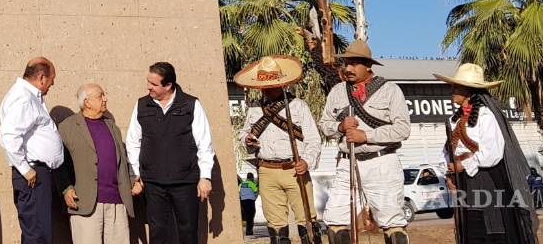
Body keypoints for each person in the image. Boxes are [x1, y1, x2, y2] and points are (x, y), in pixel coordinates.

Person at [318, 40, 411, 244]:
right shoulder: (338, 91)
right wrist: (340, 127)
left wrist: (367, 136)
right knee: (335, 221)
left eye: (354, 64)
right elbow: (324, 124)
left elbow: (403, 129)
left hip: (381, 162)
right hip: (347, 162)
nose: (348, 68)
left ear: (368, 65)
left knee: (392, 223)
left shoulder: (390, 90)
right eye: (346, 63)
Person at [435, 63, 538, 244]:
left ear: (468, 91)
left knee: (492, 225)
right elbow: (448, 151)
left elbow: (493, 152)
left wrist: (464, 165)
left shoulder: (486, 116)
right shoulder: (453, 120)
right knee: (470, 227)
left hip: (486, 178)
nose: (452, 90)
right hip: (463, 180)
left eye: (456, 87)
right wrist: (449, 174)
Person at [125, 61, 215, 244]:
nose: (148, 87)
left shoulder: (191, 104)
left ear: (168, 85)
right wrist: (135, 174)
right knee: (158, 233)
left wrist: (205, 177)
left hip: (185, 182)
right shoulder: (142, 105)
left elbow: (204, 143)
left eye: (153, 84)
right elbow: (133, 142)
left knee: (187, 232)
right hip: (153, 183)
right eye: (148, 81)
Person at [235, 56, 321, 244]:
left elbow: (314, 140)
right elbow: (243, 133)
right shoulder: (254, 108)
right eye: (264, 86)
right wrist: (246, 139)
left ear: (282, 84)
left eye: (272, 85)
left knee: (307, 223)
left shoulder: (298, 106)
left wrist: (306, 161)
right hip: (266, 170)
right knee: (276, 227)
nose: (267, 89)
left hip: (295, 169)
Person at [55, 82, 134, 244]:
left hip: (117, 202)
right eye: (100, 96)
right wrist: (66, 188)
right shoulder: (67, 127)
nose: (105, 99)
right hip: (85, 203)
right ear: (87, 102)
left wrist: (132, 180)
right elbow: (59, 163)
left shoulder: (112, 127)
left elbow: (123, 160)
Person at [0, 57, 64, 244]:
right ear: (42, 77)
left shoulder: (30, 97)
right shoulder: (23, 98)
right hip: (33, 175)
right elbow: (9, 136)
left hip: (38, 174)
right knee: (37, 235)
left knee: (39, 233)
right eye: (52, 79)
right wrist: (26, 170)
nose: (53, 84)